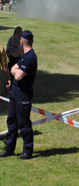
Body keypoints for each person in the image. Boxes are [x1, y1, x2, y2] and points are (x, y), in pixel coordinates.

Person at [0, 30, 38, 160]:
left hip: (23, 94)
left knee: (23, 123)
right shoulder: (24, 56)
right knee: (12, 121)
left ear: (22, 42)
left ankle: (27, 151)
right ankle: (9, 149)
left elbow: (18, 75)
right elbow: (12, 69)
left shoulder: (30, 57)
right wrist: (16, 70)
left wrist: (16, 71)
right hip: (15, 92)